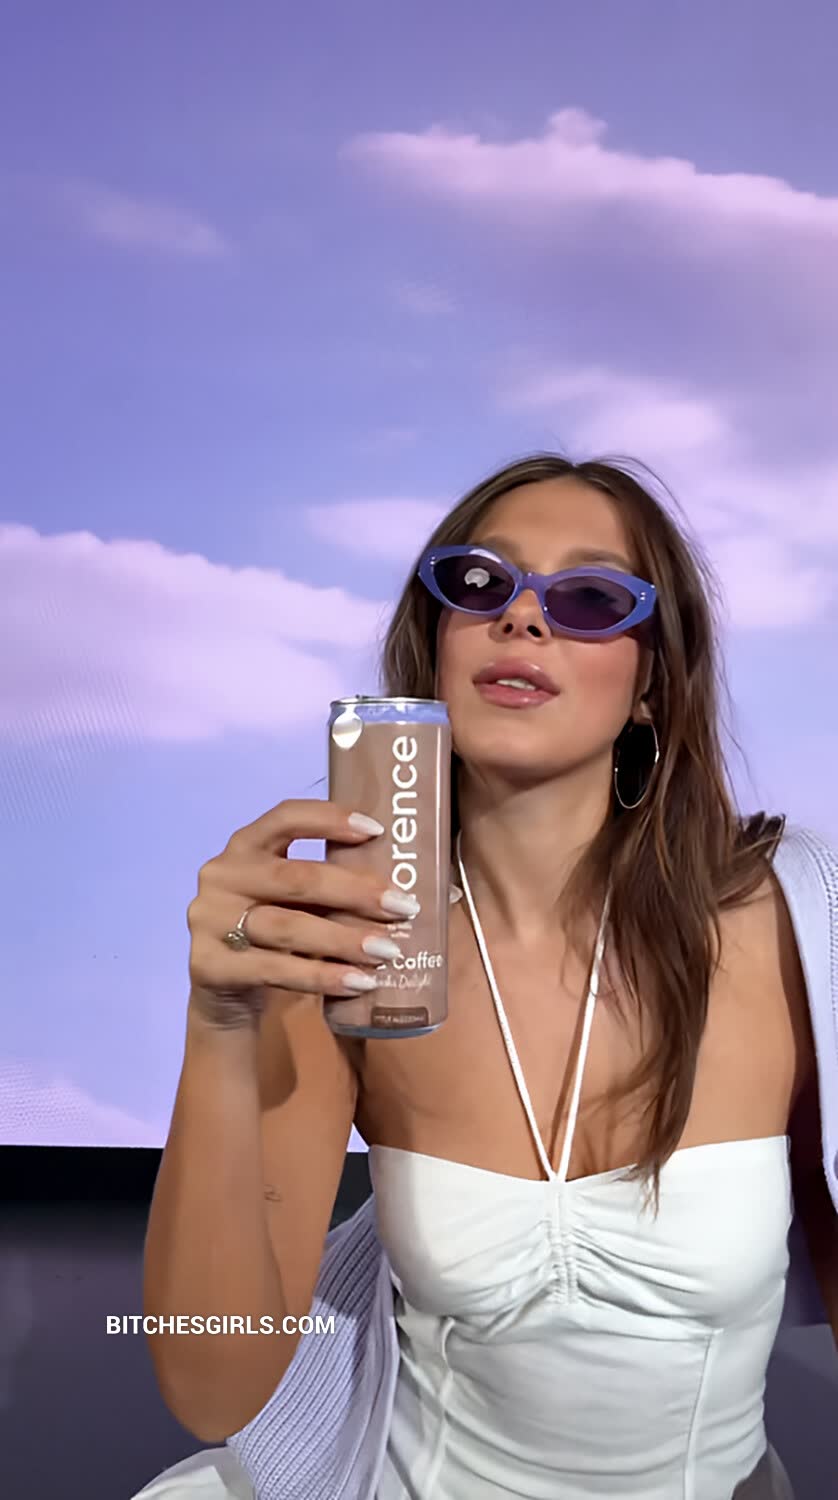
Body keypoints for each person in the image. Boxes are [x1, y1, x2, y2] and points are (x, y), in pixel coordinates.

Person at [140, 454, 838, 1500]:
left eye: (589, 597)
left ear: (653, 685)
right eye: (480, 583)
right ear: (436, 646)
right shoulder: (348, 945)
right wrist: (221, 1025)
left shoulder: (794, 918)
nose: (521, 616)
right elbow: (214, 1384)